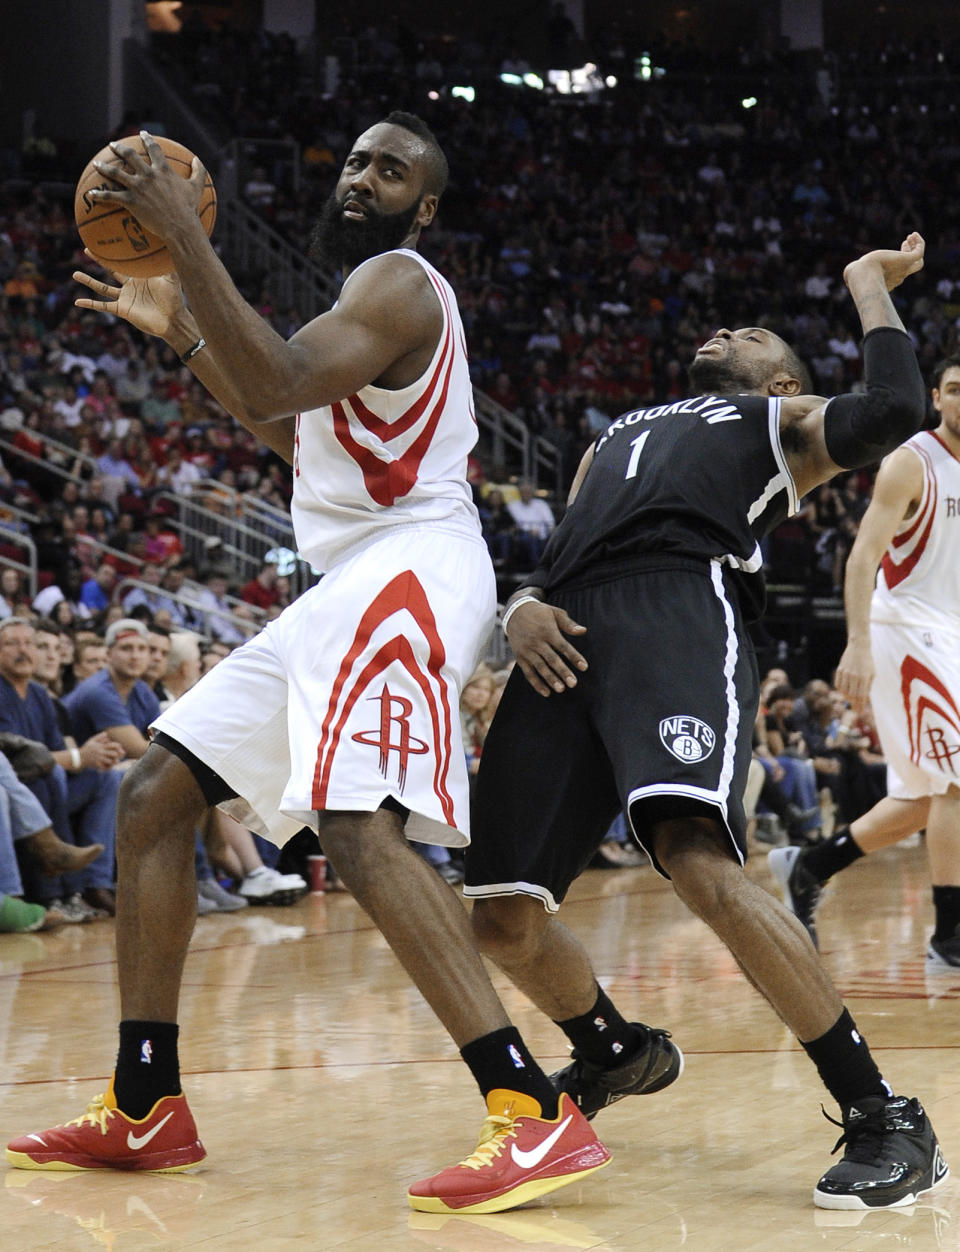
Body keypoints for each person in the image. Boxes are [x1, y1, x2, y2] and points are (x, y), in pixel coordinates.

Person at [6, 114, 611, 1213]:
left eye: (392, 170)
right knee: (152, 793)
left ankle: (530, 1110)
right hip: (348, 578)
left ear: (424, 207)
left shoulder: (398, 282)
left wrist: (181, 244)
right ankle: (146, 1103)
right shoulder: (349, 313)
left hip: (414, 566)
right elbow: (302, 435)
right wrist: (185, 336)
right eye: (353, 162)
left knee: (356, 827)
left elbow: (281, 384)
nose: (362, 178)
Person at [462, 235, 950, 1211]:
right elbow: (555, 548)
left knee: (696, 854)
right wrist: (514, 608)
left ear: (779, 376)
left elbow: (896, 409)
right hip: (561, 628)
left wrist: (865, 287)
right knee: (502, 914)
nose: (725, 325)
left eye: (754, 329)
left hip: (680, 610)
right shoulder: (611, 436)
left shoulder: (781, 417)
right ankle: (614, 1050)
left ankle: (883, 1113)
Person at [769, 354, 960, 968]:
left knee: (926, 799)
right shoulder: (913, 460)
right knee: (956, 783)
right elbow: (862, 559)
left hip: (949, 635)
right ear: (935, 396)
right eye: (955, 390)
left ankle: (810, 865)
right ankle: (949, 937)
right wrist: (855, 642)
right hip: (901, 629)